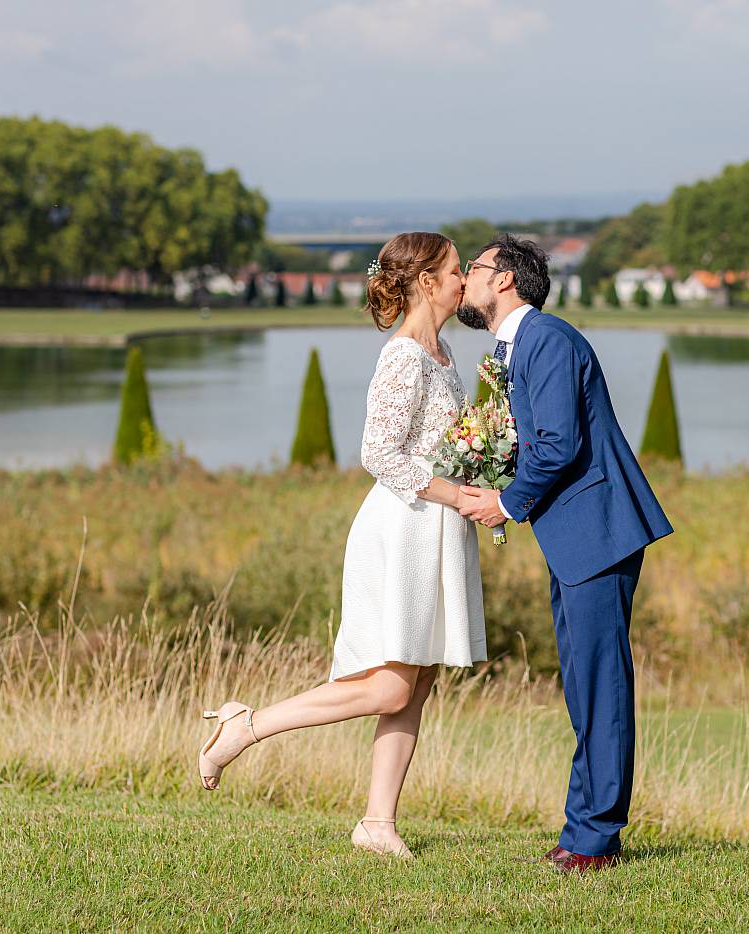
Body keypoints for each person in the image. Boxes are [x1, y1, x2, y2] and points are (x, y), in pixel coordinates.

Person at [196, 232, 484, 859]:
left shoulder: (442, 353)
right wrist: (458, 496)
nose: (466, 281)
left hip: (434, 526)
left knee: (420, 677)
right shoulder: (404, 355)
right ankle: (246, 726)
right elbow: (377, 453)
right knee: (388, 687)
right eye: (458, 270)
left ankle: (378, 824)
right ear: (428, 281)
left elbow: (433, 443)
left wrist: (477, 476)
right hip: (400, 530)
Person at [456, 235, 673, 874]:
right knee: (583, 684)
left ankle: (594, 840)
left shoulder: (546, 339)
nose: (465, 278)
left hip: (597, 531)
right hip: (575, 534)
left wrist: (505, 501)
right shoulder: (519, 346)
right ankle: (584, 830)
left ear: (504, 281)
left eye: (473, 268)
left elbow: (556, 444)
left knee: (599, 687)